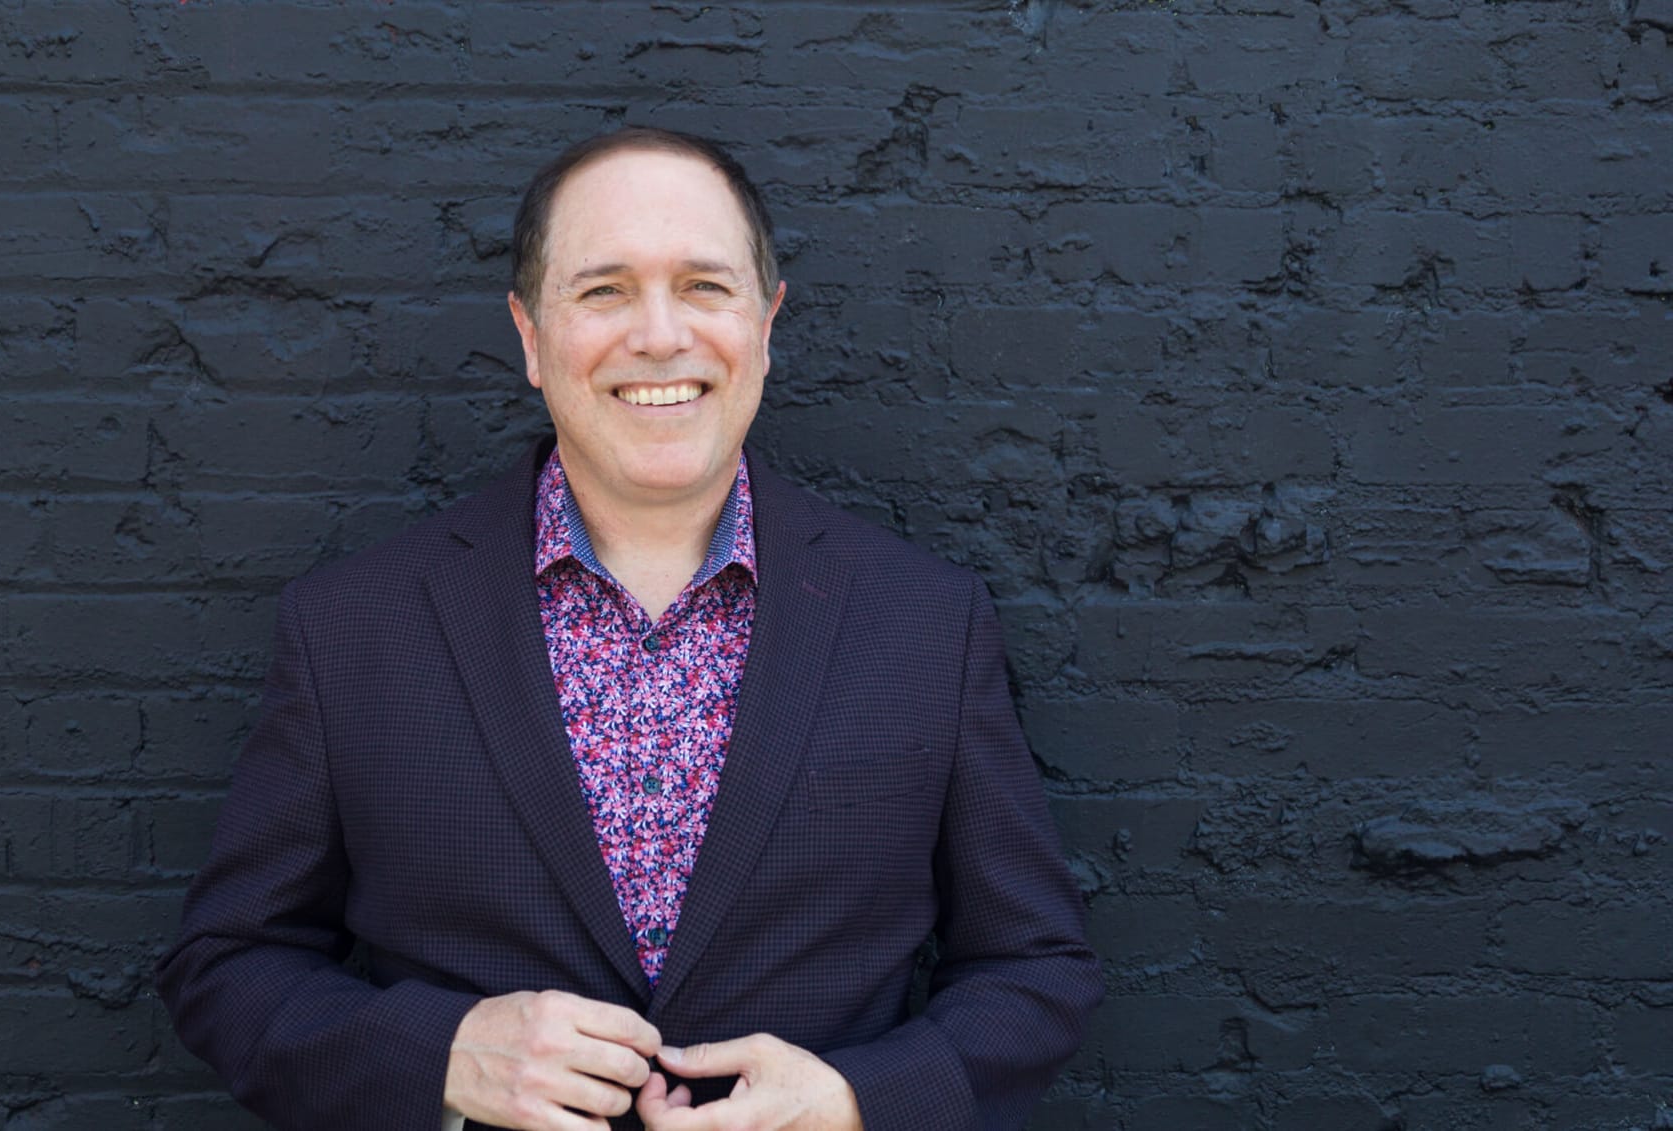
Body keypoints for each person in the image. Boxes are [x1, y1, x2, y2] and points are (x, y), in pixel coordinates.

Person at [154, 127, 1101, 1131]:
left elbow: (1032, 968)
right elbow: (227, 967)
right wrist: (437, 1059)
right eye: (603, 290)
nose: (658, 335)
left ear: (767, 322)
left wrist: (856, 1102)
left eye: (704, 286)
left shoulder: (922, 623)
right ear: (528, 335)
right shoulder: (354, 627)